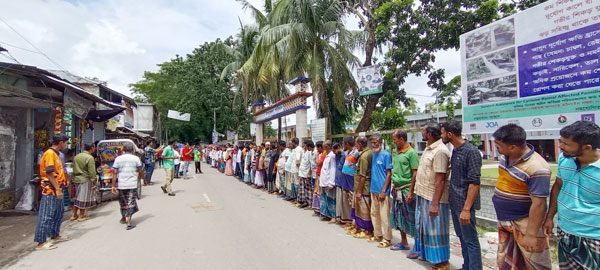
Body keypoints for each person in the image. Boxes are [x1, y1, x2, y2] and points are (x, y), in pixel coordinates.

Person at [492, 124, 551, 270]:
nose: (496, 147)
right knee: (507, 261)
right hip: (506, 220)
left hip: (525, 222)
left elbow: (539, 204)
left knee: (535, 263)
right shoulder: (505, 157)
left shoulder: (537, 168)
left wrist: (531, 235)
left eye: (499, 144)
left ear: (512, 147)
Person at [543, 121, 600, 270]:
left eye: (566, 144)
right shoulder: (564, 159)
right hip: (566, 231)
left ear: (587, 147)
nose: (561, 147)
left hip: (594, 238)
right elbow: (558, 186)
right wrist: (549, 218)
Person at [441, 121, 482, 270]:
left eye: (442, 133)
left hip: (465, 205)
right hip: (455, 202)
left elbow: (474, 182)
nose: (441, 136)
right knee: (463, 239)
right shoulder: (456, 150)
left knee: (471, 240)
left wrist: (466, 209)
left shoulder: (471, 151)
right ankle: (467, 266)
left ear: (450, 134)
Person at [412, 122, 451, 270]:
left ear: (429, 134)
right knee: (424, 227)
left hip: (434, 197)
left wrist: (435, 203)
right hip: (423, 194)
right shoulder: (429, 149)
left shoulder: (440, 151)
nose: (421, 133)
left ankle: (441, 261)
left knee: (436, 229)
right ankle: (428, 255)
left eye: (423, 130)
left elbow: (440, 179)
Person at [34, 134, 71, 251]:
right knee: (47, 215)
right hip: (51, 189)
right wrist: (57, 188)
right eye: (66, 142)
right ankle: (41, 242)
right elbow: (49, 173)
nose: (66, 145)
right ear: (61, 142)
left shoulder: (57, 155)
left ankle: (55, 235)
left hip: (58, 187)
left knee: (58, 213)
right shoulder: (50, 154)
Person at [389, 130, 419, 253]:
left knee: (411, 218)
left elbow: (415, 173)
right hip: (397, 190)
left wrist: (411, 191)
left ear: (401, 139)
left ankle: (418, 247)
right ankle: (404, 241)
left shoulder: (411, 153)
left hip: (407, 189)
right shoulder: (396, 152)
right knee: (399, 217)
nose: (393, 141)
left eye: (395, 139)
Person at [111, 144, 145, 230]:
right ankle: (129, 223)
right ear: (132, 150)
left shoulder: (118, 159)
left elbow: (115, 172)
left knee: (123, 202)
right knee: (130, 202)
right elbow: (140, 171)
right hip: (132, 184)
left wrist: (113, 185)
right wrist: (144, 179)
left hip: (122, 184)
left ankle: (123, 218)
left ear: (123, 149)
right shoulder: (136, 158)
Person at [368, 134, 393, 248]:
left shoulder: (386, 155)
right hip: (373, 188)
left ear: (380, 142)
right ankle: (377, 234)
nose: (374, 145)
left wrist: (384, 190)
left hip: (382, 190)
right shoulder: (374, 155)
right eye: (372, 143)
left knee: (384, 216)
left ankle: (387, 238)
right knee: (374, 213)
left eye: (375, 142)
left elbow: (388, 174)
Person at [353, 136, 374, 239]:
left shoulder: (365, 156)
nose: (355, 146)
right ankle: (362, 228)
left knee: (365, 209)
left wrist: (359, 191)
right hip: (363, 186)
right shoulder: (367, 153)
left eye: (356, 144)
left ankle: (368, 231)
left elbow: (363, 175)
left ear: (360, 144)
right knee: (361, 209)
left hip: (364, 187)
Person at [71, 143, 98, 222]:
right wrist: (94, 182)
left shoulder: (77, 156)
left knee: (77, 197)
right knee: (83, 197)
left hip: (76, 179)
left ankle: (74, 214)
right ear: (92, 148)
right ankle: (81, 215)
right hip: (85, 179)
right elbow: (92, 172)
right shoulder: (90, 158)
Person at [341, 136, 358, 233]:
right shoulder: (348, 152)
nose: (343, 145)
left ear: (347, 143)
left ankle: (355, 223)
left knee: (353, 202)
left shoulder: (356, 153)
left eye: (343, 143)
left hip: (351, 181)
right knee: (349, 202)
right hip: (346, 181)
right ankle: (350, 221)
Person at [320, 142, 338, 221]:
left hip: (328, 181)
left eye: (324, 146)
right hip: (324, 180)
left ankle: (333, 216)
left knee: (331, 199)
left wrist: (331, 183)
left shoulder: (332, 156)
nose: (323, 147)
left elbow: (333, 169)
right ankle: (327, 214)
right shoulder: (327, 155)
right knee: (325, 198)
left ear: (327, 146)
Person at [312, 141, 326, 213]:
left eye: (317, 147)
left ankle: (320, 208)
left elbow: (318, 163)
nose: (317, 149)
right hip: (318, 174)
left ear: (321, 147)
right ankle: (316, 208)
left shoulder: (324, 154)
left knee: (319, 192)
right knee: (317, 191)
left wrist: (317, 156)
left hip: (321, 175)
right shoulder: (322, 154)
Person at [298, 140, 313, 207]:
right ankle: (304, 202)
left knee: (308, 189)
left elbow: (311, 164)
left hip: (306, 173)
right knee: (303, 189)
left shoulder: (309, 153)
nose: (303, 145)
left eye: (304, 144)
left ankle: (309, 203)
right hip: (302, 172)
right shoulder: (304, 152)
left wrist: (309, 173)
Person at [290, 138, 303, 204]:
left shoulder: (298, 149)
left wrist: (299, 168)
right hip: (293, 169)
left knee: (297, 184)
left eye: (292, 142)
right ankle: (294, 197)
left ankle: (298, 198)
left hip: (296, 170)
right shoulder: (295, 149)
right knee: (294, 183)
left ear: (294, 143)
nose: (291, 144)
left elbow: (297, 160)